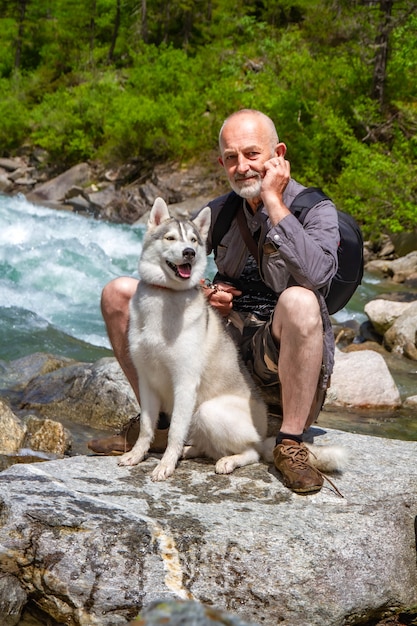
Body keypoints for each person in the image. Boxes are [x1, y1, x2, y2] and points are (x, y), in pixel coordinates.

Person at [88, 109, 340, 494]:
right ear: (221, 162)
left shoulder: (316, 209)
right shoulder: (221, 212)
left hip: (279, 376)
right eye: (231, 157)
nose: (242, 167)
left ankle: (291, 443)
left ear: (278, 154)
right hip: (222, 366)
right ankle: (158, 424)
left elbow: (318, 276)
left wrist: (273, 200)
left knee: (300, 300)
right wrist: (207, 291)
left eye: (252, 154)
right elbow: (179, 263)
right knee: (120, 292)